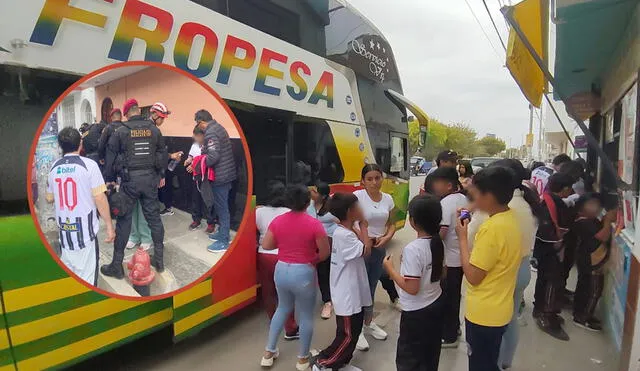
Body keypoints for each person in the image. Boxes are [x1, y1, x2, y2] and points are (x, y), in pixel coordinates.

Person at [469, 159, 540, 370]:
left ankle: (494, 362)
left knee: (490, 335)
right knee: (510, 320)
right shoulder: (525, 205)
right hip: (521, 268)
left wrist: (463, 237)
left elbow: (474, 266)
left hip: (495, 279)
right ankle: (504, 361)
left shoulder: (493, 217)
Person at [455, 166, 522, 371]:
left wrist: (463, 239)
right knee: (489, 361)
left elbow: (474, 276)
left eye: (475, 195)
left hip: (483, 314)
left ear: (489, 196)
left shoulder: (491, 229)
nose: (473, 200)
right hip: (500, 309)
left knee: (480, 365)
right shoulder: (510, 218)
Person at [260, 185, 330, 370]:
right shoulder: (314, 224)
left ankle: (269, 352)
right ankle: (302, 359)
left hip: (281, 269)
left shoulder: (278, 221)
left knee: (282, 308)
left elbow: (267, 245)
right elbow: (324, 253)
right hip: (304, 272)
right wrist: (311, 259)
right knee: (306, 315)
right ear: (308, 202)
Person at [102, 98, 168, 278]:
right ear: (138, 110)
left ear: (126, 113)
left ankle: (117, 266)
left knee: (124, 221)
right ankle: (159, 261)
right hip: (149, 181)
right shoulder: (154, 130)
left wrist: (109, 180)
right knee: (154, 219)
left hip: (129, 182)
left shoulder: (121, 131)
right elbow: (162, 154)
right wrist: (159, 175)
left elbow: (109, 157)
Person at [383, 194, 445, 371]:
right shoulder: (437, 242)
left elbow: (412, 288)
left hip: (417, 312)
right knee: (429, 353)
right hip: (435, 302)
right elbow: (441, 272)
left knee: (409, 358)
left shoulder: (414, 249)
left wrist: (391, 269)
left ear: (413, 222)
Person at [46, 127, 115, 285]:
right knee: (88, 281)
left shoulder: (53, 167)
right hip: (85, 236)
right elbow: (100, 198)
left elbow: (49, 198)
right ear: (80, 143)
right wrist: (110, 226)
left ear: (61, 146)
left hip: (64, 234)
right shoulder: (89, 165)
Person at [312, 193, 372, 370]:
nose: (362, 209)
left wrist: (358, 226)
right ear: (350, 211)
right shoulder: (343, 235)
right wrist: (365, 226)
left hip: (354, 290)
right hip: (347, 293)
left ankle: (341, 362)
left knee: (354, 331)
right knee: (346, 335)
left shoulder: (346, 230)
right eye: (358, 206)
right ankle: (323, 363)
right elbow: (366, 249)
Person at [354, 164, 396, 351]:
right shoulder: (357, 197)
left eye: (377, 178)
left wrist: (386, 237)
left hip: (379, 248)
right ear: (363, 180)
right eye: (369, 179)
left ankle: (368, 323)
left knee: (371, 286)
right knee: (359, 288)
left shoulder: (388, 199)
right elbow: (350, 223)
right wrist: (364, 238)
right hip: (361, 248)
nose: (374, 182)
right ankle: (357, 331)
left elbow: (392, 224)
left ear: (382, 178)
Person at [428, 167, 468, 348]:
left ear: (449, 184)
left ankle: (449, 335)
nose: (435, 186)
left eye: (438, 183)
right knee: (454, 295)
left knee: (447, 297)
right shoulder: (464, 199)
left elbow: (441, 233)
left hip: (449, 260)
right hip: (461, 256)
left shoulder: (446, 204)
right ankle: (455, 327)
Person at [532, 172, 574, 340]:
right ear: (564, 189)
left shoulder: (548, 200)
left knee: (545, 279)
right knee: (551, 280)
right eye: (569, 189)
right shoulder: (551, 203)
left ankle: (541, 308)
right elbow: (547, 229)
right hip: (551, 249)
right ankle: (546, 314)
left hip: (547, 249)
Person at [256, 181, 299, 340]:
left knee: (268, 291)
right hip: (283, 255)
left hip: (263, 254)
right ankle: (290, 327)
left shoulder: (258, 212)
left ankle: (273, 320)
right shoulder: (290, 212)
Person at [568, 194, 616, 331]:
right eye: (592, 204)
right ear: (582, 207)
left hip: (587, 259)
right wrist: (608, 221)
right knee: (593, 290)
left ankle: (581, 313)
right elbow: (603, 236)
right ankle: (583, 318)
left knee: (585, 287)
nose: (597, 207)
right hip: (590, 261)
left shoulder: (589, 219)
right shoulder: (583, 222)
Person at [196, 109, 237, 252]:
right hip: (226, 173)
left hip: (220, 176)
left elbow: (213, 157)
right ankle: (222, 232)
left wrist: (200, 162)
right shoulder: (219, 127)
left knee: (221, 207)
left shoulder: (211, 132)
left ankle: (223, 240)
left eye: (198, 124)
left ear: (201, 122)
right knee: (222, 206)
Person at [307, 182, 339, 320]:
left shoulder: (332, 207)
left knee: (327, 271)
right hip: (313, 243)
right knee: (320, 272)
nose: (312, 193)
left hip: (330, 243)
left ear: (323, 195)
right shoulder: (309, 206)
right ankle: (327, 298)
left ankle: (329, 301)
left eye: (315, 192)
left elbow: (342, 222)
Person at [148, 102, 181, 216]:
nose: (163, 121)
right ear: (154, 115)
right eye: (162, 118)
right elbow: (157, 153)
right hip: (150, 171)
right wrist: (170, 157)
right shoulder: (153, 130)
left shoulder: (146, 127)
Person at [186, 126, 216, 233]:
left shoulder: (210, 146)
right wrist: (189, 161)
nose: (195, 139)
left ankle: (211, 223)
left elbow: (208, 161)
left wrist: (194, 165)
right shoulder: (195, 145)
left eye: (197, 137)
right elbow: (191, 156)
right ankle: (196, 220)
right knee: (196, 199)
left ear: (202, 136)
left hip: (206, 178)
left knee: (208, 200)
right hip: (196, 177)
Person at [84, 98, 113, 168]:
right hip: (97, 155)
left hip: (88, 156)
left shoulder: (89, 128)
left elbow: (83, 139)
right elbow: (102, 144)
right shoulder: (104, 127)